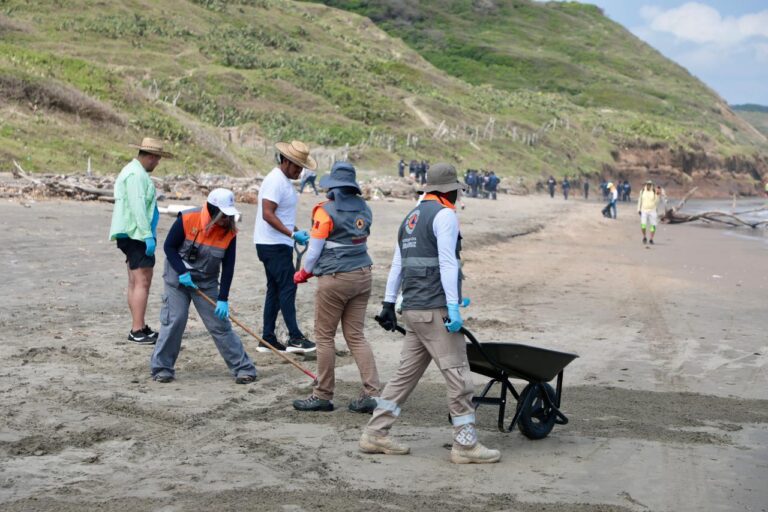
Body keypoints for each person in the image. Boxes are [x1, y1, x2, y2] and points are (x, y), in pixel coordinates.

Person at [359, 163, 501, 465]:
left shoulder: (410, 217)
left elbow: (398, 263)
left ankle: (375, 432)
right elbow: (448, 263)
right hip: (434, 310)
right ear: (449, 190)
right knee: (458, 376)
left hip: (413, 309)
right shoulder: (444, 215)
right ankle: (465, 445)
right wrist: (453, 307)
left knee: (404, 376)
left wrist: (388, 303)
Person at [292, 162, 381, 413]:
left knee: (324, 337)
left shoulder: (325, 211)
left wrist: (303, 273)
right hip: (363, 275)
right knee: (356, 336)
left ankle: (322, 395)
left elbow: (313, 253)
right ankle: (372, 393)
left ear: (333, 187)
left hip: (335, 278)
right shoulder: (365, 208)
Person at [150, 189, 257, 384]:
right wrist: (182, 272)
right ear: (213, 210)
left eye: (229, 215)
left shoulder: (230, 232)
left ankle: (243, 368)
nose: (226, 219)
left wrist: (223, 298)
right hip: (178, 278)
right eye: (223, 215)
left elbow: (228, 267)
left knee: (220, 325)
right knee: (175, 320)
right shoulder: (188, 218)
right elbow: (169, 247)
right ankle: (162, 368)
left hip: (206, 282)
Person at [254, 140, 317, 353]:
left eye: (302, 167)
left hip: (277, 242)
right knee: (288, 286)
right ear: (286, 161)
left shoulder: (283, 181)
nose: (300, 171)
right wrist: (291, 234)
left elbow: (280, 215)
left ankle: (267, 338)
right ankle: (295, 337)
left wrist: (295, 231)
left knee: (275, 289)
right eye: (298, 166)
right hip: (273, 244)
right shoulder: (275, 181)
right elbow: (267, 213)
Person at [109, 137, 170, 345]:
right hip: (135, 234)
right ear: (151, 156)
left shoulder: (134, 171)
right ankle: (136, 329)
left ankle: (140, 325)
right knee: (142, 281)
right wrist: (147, 235)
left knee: (136, 280)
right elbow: (137, 207)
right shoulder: (136, 175)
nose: (158, 163)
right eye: (157, 158)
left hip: (132, 233)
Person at [637, 180, 659, 245]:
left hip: (652, 210)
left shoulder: (654, 191)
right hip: (644, 210)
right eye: (648, 184)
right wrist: (638, 209)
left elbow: (657, 202)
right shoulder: (642, 191)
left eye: (650, 184)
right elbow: (640, 200)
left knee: (653, 225)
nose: (649, 185)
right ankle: (644, 236)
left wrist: (657, 195)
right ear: (646, 184)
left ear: (651, 185)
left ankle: (651, 238)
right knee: (643, 225)